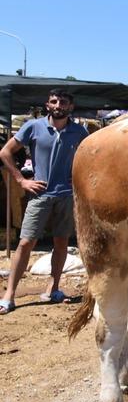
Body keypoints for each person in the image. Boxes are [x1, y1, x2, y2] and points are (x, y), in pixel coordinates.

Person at [0, 89, 89, 315]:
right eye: (54, 101)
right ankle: (9, 294)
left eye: (63, 102)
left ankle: (54, 288)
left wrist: (79, 179)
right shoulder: (34, 126)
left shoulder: (79, 131)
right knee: (26, 243)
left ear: (71, 106)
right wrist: (21, 180)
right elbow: (5, 152)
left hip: (67, 195)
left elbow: (90, 158)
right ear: (47, 104)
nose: (58, 105)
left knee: (61, 243)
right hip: (40, 194)